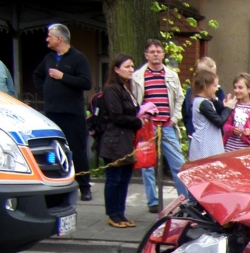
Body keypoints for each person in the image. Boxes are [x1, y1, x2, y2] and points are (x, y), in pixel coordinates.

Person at [33, 24, 92, 200]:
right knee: (53, 150)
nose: (47, 39)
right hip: (53, 113)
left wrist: (63, 77)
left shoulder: (78, 58)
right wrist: (45, 89)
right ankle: (56, 182)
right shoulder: (49, 58)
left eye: (49, 36)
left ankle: (84, 186)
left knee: (77, 150)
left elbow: (86, 82)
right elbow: (37, 75)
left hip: (72, 114)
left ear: (59, 38)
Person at [132, 38, 190, 213]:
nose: (155, 55)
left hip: (167, 126)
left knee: (178, 164)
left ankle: (184, 201)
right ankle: (153, 201)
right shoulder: (138, 76)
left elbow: (180, 98)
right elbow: (134, 100)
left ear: (163, 54)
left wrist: (175, 118)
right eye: (152, 52)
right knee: (147, 165)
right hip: (147, 127)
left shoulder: (171, 75)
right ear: (146, 55)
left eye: (158, 51)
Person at [98, 53, 145, 228]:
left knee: (124, 179)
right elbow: (117, 116)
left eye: (132, 66)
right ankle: (112, 214)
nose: (131, 69)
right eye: (127, 66)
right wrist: (138, 122)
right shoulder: (112, 89)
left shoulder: (127, 88)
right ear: (116, 69)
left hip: (126, 140)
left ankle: (120, 213)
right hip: (114, 141)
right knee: (114, 178)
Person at [188, 69, 234, 161]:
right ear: (206, 86)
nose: (217, 89)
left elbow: (218, 111)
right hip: (204, 146)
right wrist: (229, 108)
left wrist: (217, 101)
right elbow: (219, 121)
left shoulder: (203, 101)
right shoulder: (203, 103)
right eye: (215, 86)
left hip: (208, 144)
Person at [182, 57, 226, 138]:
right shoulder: (191, 91)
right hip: (195, 132)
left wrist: (216, 100)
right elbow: (186, 112)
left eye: (214, 74)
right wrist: (189, 128)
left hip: (214, 133)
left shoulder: (218, 91)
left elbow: (222, 111)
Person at [223, 73, 250, 151]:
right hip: (229, 149)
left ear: (249, 89)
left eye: (240, 87)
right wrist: (232, 130)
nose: (237, 90)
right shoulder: (232, 105)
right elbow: (225, 125)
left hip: (246, 150)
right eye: (235, 87)